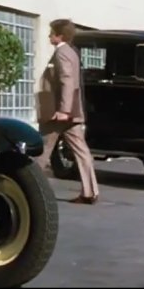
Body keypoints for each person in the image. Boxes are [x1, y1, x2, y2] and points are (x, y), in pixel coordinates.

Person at [36, 18, 99, 204]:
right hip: (73, 112)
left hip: (60, 112)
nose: (49, 35)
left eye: (51, 33)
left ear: (59, 35)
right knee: (82, 151)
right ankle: (90, 191)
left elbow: (67, 80)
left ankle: (33, 192)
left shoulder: (62, 53)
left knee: (41, 150)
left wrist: (63, 110)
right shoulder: (71, 52)